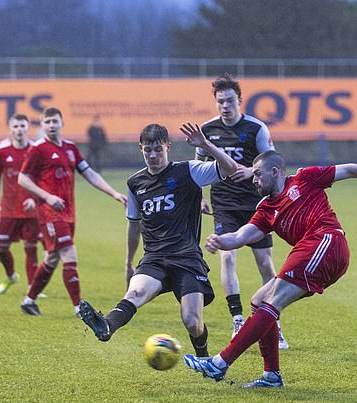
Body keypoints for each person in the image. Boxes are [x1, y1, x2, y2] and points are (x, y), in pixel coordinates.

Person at [184, 151, 357, 388]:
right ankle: (271, 376)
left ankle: (219, 362)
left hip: (327, 241)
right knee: (259, 300)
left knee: (271, 301)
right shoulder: (266, 209)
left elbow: (350, 168)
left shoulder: (304, 178)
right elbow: (241, 236)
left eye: (257, 174)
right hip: (312, 250)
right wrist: (220, 240)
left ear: (275, 171)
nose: (253, 180)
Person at [78, 122, 238, 357]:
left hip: (187, 259)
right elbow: (134, 226)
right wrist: (128, 263)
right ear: (141, 149)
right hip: (154, 259)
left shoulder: (189, 171)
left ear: (168, 147)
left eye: (158, 150)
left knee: (192, 322)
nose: (152, 156)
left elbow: (231, 168)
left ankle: (204, 358)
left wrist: (205, 144)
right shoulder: (135, 183)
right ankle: (106, 326)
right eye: (147, 151)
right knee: (134, 294)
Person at [196, 73, 288, 348]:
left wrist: (251, 171)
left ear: (240, 100)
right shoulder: (208, 130)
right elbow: (197, 166)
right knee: (227, 259)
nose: (225, 106)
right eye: (221, 101)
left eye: (230, 100)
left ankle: (273, 320)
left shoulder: (255, 128)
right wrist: (198, 196)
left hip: (255, 203)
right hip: (223, 203)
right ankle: (237, 320)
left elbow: (273, 160)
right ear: (216, 102)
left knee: (265, 263)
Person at [17, 107, 127, 317]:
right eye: (47, 122)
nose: (51, 125)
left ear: (61, 123)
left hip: (68, 213)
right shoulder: (38, 149)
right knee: (69, 253)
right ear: (42, 125)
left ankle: (28, 301)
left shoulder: (70, 148)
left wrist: (113, 193)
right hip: (49, 213)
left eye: (54, 121)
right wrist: (47, 197)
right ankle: (79, 308)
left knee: (52, 258)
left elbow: (89, 173)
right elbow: (22, 178)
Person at [0, 114, 40, 295]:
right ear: (10, 129)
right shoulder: (1, 151)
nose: (19, 130)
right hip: (9, 210)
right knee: (1, 248)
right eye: (16, 126)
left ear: (28, 128)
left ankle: (32, 288)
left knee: (31, 248)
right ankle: (11, 277)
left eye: (22, 126)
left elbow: (42, 178)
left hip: (31, 211)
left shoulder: (35, 150)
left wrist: (35, 199)